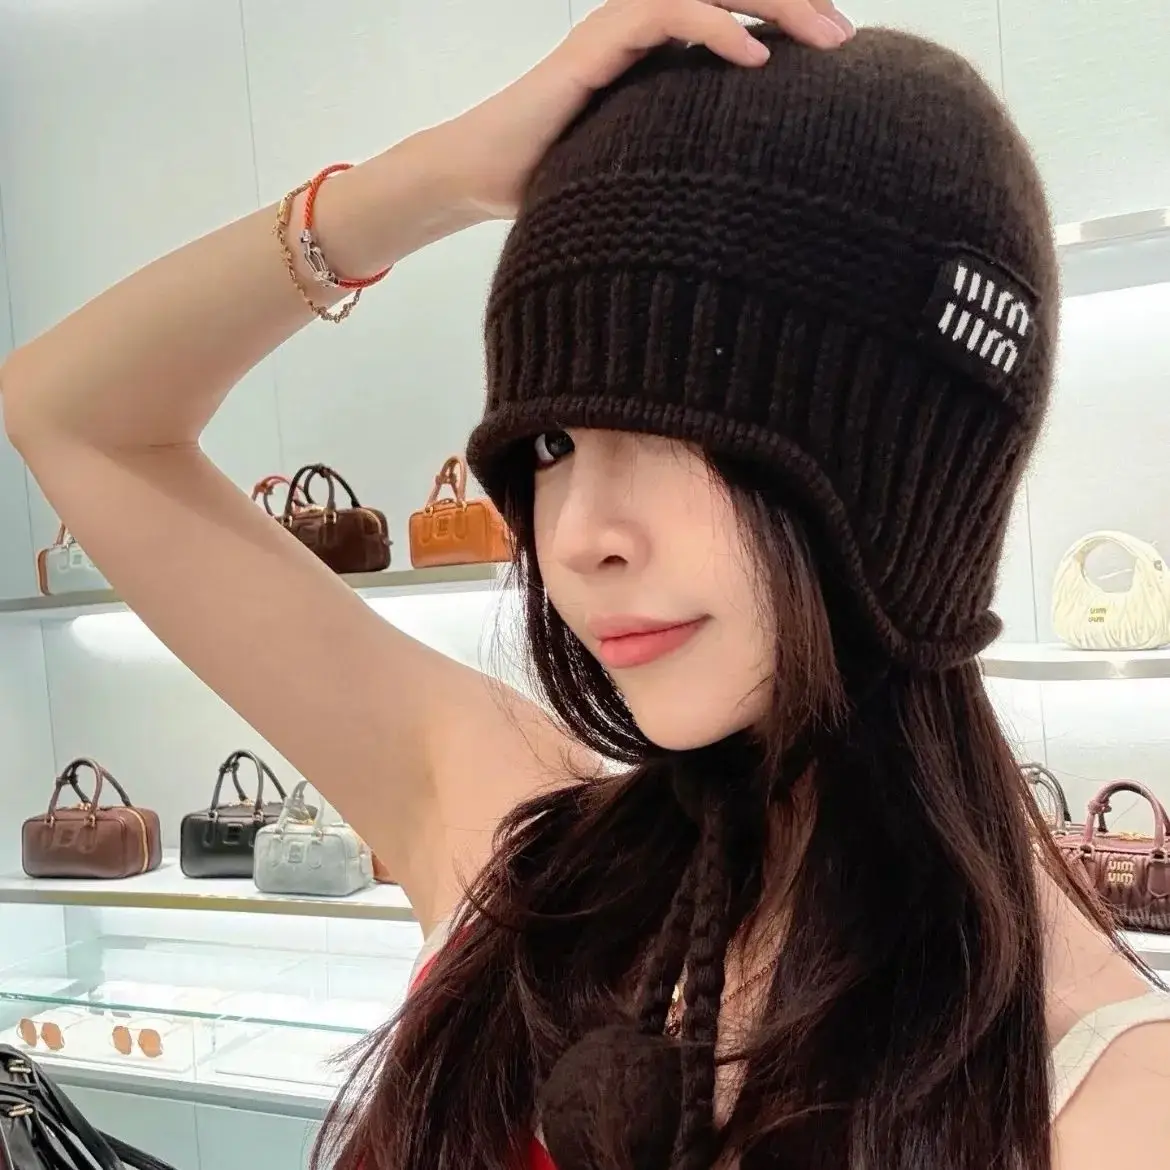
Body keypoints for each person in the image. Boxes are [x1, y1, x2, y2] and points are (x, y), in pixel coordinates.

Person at [2, 2, 1168, 1168]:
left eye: (676, 426)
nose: (576, 536)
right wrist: (430, 180)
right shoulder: (526, 847)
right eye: (552, 444)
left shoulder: (1100, 1103)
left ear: (902, 465)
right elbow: (68, 414)